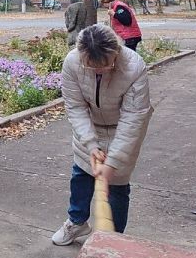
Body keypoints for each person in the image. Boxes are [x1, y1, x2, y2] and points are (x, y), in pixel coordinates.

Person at [51, 24, 153, 246]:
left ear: (116, 52)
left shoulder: (134, 67)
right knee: (81, 174)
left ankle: (112, 240)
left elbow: (133, 119)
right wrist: (90, 144)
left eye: (105, 66)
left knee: (116, 185)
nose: (98, 71)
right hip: (89, 124)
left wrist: (113, 162)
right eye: (92, 67)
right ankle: (77, 222)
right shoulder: (72, 62)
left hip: (122, 127)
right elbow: (75, 106)